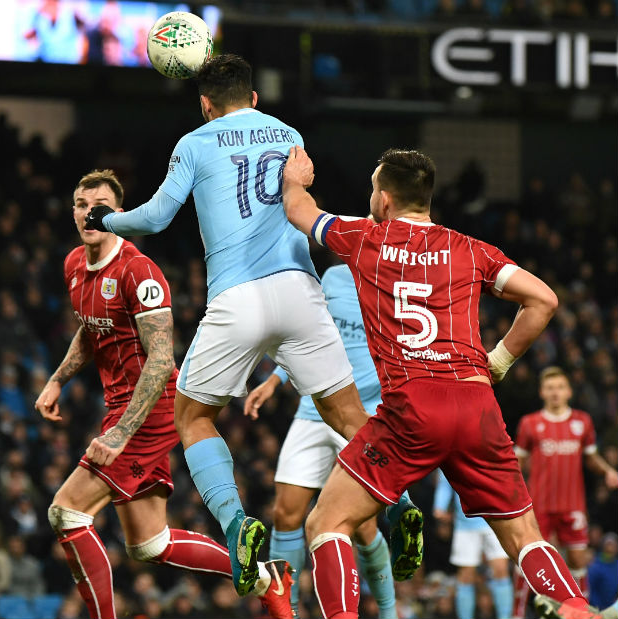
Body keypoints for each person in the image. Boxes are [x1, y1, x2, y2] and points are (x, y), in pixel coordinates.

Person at [83, 53, 421, 594]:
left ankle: (239, 525)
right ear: (255, 97)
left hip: (237, 299)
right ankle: (401, 503)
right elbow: (300, 195)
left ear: (205, 104)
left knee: (191, 417)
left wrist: (108, 220)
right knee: (348, 413)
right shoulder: (288, 132)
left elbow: (155, 216)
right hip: (301, 292)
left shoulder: (195, 141)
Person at [281, 145, 602, 619]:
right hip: (476, 403)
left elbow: (298, 210)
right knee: (524, 538)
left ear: (384, 199)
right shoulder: (471, 249)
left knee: (327, 523)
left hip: (412, 406)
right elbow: (543, 301)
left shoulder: (366, 238)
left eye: (374, 188)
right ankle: (575, 606)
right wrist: (499, 362)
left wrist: (295, 178)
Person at [36, 169, 292, 619]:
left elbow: (161, 359)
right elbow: (90, 329)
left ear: (117, 215)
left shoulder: (139, 271)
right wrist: (59, 378)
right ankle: (268, 580)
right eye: (79, 204)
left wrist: (120, 434)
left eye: (98, 207)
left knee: (68, 513)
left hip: (150, 407)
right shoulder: (75, 265)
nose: (87, 213)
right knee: (149, 545)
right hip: (120, 408)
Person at [244, 264, 400, 618]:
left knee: (362, 526)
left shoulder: (398, 280)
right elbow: (313, 336)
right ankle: (291, 612)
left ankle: (390, 612)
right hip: (317, 405)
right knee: (285, 513)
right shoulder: (333, 276)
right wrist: (275, 380)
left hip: (365, 414)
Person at [513, 366, 618, 615]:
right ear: (542, 392)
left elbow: (591, 458)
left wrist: (608, 472)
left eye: (560, 387)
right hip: (538, 506)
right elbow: (518, 464)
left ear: (568, 391)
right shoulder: (530, 424)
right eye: (550, 388)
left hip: (572, 505)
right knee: (528, 562)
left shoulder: (582, 422)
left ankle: (582, 613)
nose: (555, 392)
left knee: (578, 561)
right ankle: (516, 614)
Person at [433, 470, 514, 619]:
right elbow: (445, 478)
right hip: (465, 523)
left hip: (495, 518)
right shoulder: (451, 448)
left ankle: (506, 617)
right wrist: (440, 506)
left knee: (500, 570)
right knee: (465, 576)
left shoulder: (490, 447)